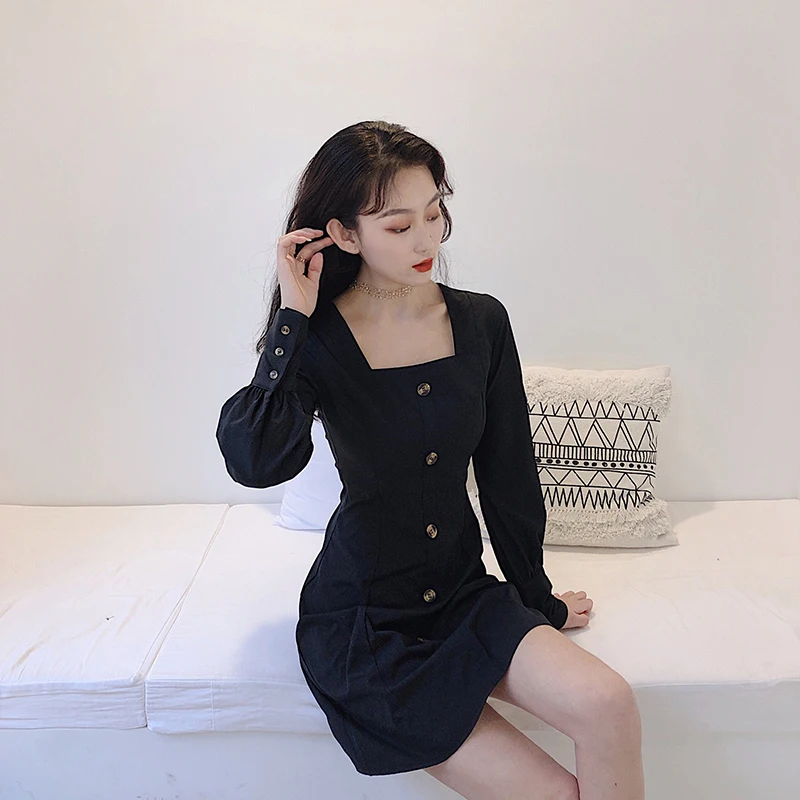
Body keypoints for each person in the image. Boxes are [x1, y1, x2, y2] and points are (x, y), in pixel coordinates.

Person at [216, 121, 645, 799]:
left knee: (610, 704)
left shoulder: (482, 322)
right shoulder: (318, 339)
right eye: (398, 225)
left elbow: (509, 475)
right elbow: (256, 461)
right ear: (344, 234)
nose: (426, 240)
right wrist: (292, 319)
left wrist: (536, 600)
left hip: (464, 596)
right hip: (366, 625)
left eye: (434, 213)